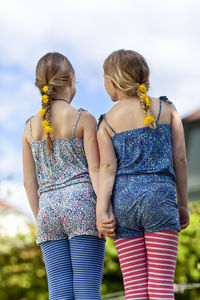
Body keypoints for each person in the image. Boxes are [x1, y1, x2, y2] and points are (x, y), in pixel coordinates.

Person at [96, 49, 189, 300]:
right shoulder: (168, 110)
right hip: (161, 199)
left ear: (112, 82)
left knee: (135, 289)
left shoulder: (106, 123)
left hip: (124, 203)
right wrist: (182, 205)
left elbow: (106, 169)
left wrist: (102, 210)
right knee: (161, 286)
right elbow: (180, 159)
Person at [22, 52, 105, 300]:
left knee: (59, 293)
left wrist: (42, 219)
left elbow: (29, 182)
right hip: (81, 207)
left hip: (47, 210)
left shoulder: (28, 127)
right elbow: (97, 170)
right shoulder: (84, 119)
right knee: (86, 290)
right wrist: (103, 210)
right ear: (71, 82)